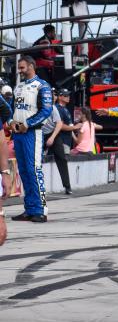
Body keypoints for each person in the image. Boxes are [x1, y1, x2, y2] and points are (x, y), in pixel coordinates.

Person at [8, 56, 53, 222]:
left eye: (22, 67)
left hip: (33, 133)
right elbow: (11, 108)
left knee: (34, 169)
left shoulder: (42, 86)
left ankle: (41, 210)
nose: (20, 71)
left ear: (32, 66)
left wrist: (28, 123)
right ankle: (29, 209)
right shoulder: (18, 87)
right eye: (19, 68)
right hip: (18, 134)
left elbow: (46, 111)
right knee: (24, 172)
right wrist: (11, 122)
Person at [39, 91, 66, 193]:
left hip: (52, 133)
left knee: (61, 157)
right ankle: (38, 184)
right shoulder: (37, 107)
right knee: (36, 158)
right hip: (40, 134)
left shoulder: (52, 107)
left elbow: (59, 123)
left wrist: (52, 138)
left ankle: (67, 186)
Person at [53, 88, 77, 194]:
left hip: (66, 140)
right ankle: (67, 187)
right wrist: (75, 128)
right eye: (66, 95)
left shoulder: (66, 109)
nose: (68, 97)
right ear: (60, 97)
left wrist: (75, 138)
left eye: (68, 95)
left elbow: (70, 126)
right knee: (62, 159)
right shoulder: (58, 108)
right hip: (60, 138)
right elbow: (61, 126)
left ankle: (67, 186)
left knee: (64, 161)